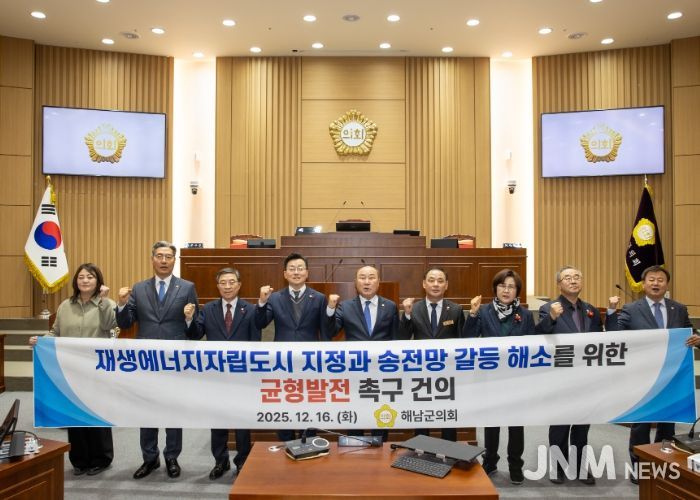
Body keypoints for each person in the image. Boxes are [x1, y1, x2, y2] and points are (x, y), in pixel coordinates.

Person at [116, 241, 199, 480]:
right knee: (147, 410)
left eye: (168, 256)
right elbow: (126, 323)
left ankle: (172, 456)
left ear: (174, 260)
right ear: (152, 259)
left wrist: (189, 319)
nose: (164, 260)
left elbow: (195, 329)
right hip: (147, 360)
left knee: (173, 410)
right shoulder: (139, 288)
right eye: (159, 256)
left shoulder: (187, 287)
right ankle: (149, 458)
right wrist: (121, 304)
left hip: (175, 360)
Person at [30, 263, 117, 476]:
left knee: (95, 413)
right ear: (76, 281)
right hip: (69, 370)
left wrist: (104, 301)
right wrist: (41, 340)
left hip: (96, 369)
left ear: (98, 281)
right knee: (74, 412)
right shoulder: (65, 306)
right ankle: (79, 459)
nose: (85, 280)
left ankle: (101, 458)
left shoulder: (107, 303)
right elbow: (55, 332)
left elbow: (110, 326)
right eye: (81, 277)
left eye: (90, 277)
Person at [613, 265, 698, 484]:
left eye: (661, 280)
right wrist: (612, 313)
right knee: (641, 425)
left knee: (667, 424)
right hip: (643, 378)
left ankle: (663, 466)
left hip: (672, 377)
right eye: (651, 279)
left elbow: (689, 332)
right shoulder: (631, 309)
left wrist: (697, 338)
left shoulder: (678, 308)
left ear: (667, 285)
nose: (656, 283)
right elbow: (617, 336)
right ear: (643, 284)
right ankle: (639, 469)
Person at [535, 265, 619, 485]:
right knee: (560, 425)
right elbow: (538, 336)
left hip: (586, 379)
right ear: (559, 284)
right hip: (560, 378)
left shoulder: (591, 310)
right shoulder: (548, 308)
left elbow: (605, 339)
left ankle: (580, 466)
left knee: (582, 426)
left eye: (577, 277)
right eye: (567, 278)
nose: (573, 281)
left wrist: (611, 312)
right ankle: (557, 466)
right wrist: (551, 318)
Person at [462, 268, 534, 485]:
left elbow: (532, 346)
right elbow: (468, 338)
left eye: (511, 286)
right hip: (490, 378)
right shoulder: (483, 311)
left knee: (516, 425)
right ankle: (490, 461)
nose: (506, 290)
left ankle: (515, 465)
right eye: (502, 285)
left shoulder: (525, 315)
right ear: (495, 288)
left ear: (517, 291)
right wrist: (472, 314)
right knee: (491, 424)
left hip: (516, 379)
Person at [186, 267, 260, 479]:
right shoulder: (207, 309)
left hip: (242, 376)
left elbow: (255, 342)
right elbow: (196, 335)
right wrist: (190, 319)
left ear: (239, 285)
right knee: (217, 421)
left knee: (242, 422)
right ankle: (221, 461)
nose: (227, 287)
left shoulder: (251, 310)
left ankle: (242, 461)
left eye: (231, 282)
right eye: (223, 283)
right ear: (217, 286)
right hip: (216, 376)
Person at [255, 252, 333, 441]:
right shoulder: (274, 298)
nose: (296, 272)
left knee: (310, 404)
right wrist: (262, 302)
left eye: (300, 268)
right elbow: (260, 323)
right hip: (282, 362)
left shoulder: (319, 298)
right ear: (285, 274)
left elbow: (326, 332)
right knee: (284, 405)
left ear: (307, 273)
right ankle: (286, 443)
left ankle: (310, 441)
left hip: (310, 362)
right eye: (292, 269)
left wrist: (324, 361)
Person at [328, 264, 399, 439]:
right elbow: (331, 332)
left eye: (371, 277)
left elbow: (396, 339)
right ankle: (354, 444)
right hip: (355, 371)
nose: (367, 282)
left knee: (381, 413)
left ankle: (380, 446)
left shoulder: (390, 306)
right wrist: (330, 309)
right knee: (355, 413)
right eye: (362, 277)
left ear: (378, 282)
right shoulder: (345, 306)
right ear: (355, 282)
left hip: (382, 370)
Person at [399, 267, 464, 441]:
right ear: (424, 284)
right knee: (422, 415)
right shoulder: (413, 309)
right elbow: (402, 339)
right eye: (431, 280)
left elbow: (462, 343)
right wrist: (406, 315)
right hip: (421, 372)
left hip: (448, 373)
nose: (436, 284)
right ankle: (421, 451)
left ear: (446, 285)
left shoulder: (456, 310)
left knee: (448, 416)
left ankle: (450, 451)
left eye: (440, 281)